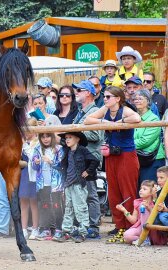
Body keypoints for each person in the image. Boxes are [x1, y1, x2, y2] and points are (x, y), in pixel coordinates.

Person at [84, 86, 141, 241]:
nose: (105, 99)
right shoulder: (105, 109)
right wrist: (104, 121)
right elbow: (87, 119)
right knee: (114, 191)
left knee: (127, 190)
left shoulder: (125, 110)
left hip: (126, 155)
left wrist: (119, 122)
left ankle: (131, 226)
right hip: (111, 155)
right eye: (105, 96)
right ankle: (119, 226)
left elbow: (137, 118)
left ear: (118, 98)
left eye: (109, 97)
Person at [72, 80, 104, 238]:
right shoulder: (80, 111)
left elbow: (96, 135)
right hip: (79, 158)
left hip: (90, 158)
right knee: (80, 193)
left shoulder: (95, 111)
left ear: (89, 93)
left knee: (90, 193)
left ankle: (93, 226)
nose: (76, 92)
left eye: (79, 89)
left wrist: (76, 133)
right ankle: (83, 224)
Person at [54, 132, 99, 243]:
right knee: (68, 208)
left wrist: (88, 171)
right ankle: (66, 232)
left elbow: (95, 160)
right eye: (66, 138)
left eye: (70, 137)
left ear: (77, 139)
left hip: (79, 184)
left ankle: (83, 232)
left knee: (80, 208)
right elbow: (63, 166)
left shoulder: (82, 150)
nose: (67, 140)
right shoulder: (67, 151)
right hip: (69, 183)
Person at [32, 133, 64, 241]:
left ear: (52, 137)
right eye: (43, 137)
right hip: (42, 183)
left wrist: (51, 162)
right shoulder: (37, 148)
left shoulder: (58, 148)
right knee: (44, 205)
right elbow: (34, 166)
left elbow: (62, 165)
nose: (45, 139)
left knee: (56, 206)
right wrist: (36, 162)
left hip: (55, 183)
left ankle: (59, 229)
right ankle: (46, 229)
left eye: (48, 136)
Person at [133, 90, 165, 184]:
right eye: (135, 99)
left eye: (140, 98)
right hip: (138, 159)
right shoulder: (134, 117)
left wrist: (127, 144)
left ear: (148, 101)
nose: (137, 101)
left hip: (153, 160)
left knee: (150, 190)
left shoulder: (153, 119)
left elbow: (145, 141)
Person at [117, 180, 155, 245]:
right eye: (141, 188)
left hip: (152, 228)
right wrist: (124, 210)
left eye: (144, 189)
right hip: (140, 227)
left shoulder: (155, 202)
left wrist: (148, 207)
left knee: (143, 205)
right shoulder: (138, 202)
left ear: (151, 192)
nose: (141, 190)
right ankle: (143, 239)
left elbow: (155, 216)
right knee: (127, 235)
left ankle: (145, 238)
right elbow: (133, 220)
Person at [19, 121, 39, 240]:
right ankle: (23, 229)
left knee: (34, 202)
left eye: (28, 129)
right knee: (23, 202)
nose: (25, 132)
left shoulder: (37, 144)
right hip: (24, 174)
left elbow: (32, 157)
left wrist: (24, 145)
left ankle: (35, 228)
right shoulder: (23, 143)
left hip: (34, 175)